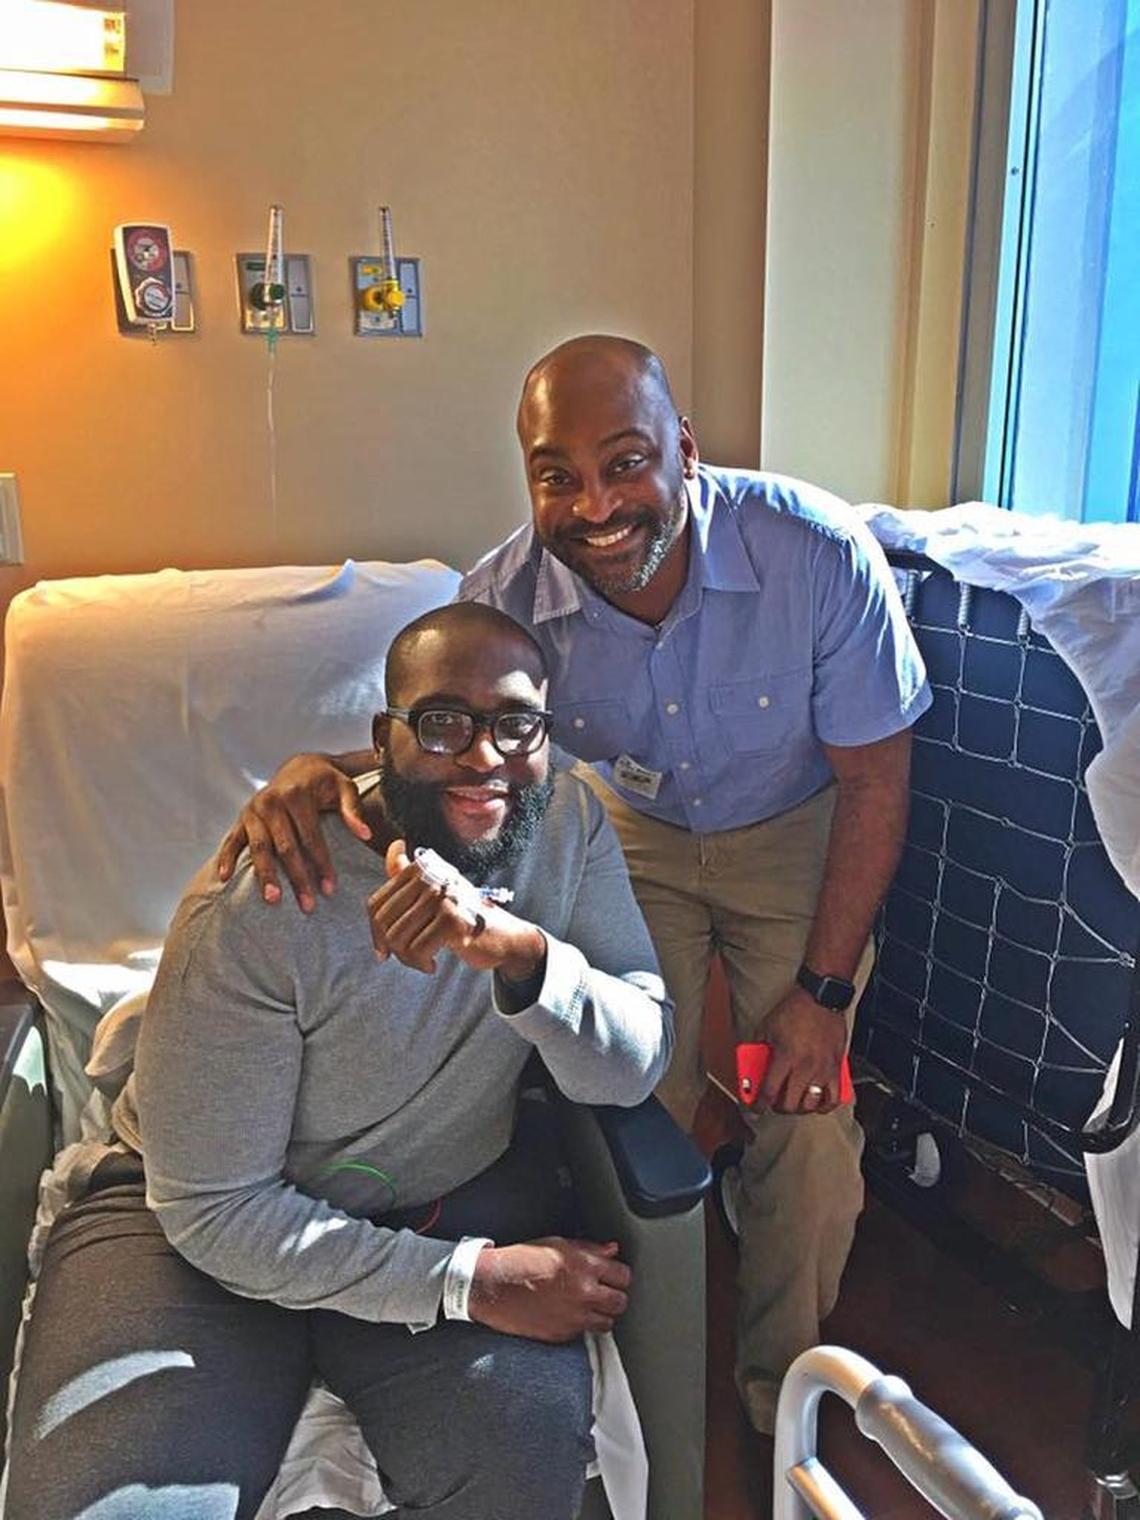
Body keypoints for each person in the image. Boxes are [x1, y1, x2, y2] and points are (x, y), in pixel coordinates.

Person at [213, 334, 931, 1438]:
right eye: (559, 475)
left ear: (685, 451)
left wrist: (822, 998)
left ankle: (772, 1397)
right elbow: (444, 744)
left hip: (800, 825)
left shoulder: (818, 554)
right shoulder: (501, 592)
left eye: (626, 462)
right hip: (634, 830)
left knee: (803, 1106)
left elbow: (877, 775)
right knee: (635, 1091)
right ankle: (651, 1364)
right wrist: (323, 772)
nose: (596, 506)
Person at [4, 601, 672, 1520]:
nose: (485, 756)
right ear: (384, 739)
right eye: (441, 725)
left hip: (442, 1197)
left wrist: (522, 957)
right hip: (191, 1228)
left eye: (517, 723)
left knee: (518, 1465)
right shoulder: (270, 899)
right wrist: (469, 1283)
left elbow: (631, 1064)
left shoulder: (569, 828)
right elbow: (217, 1208)